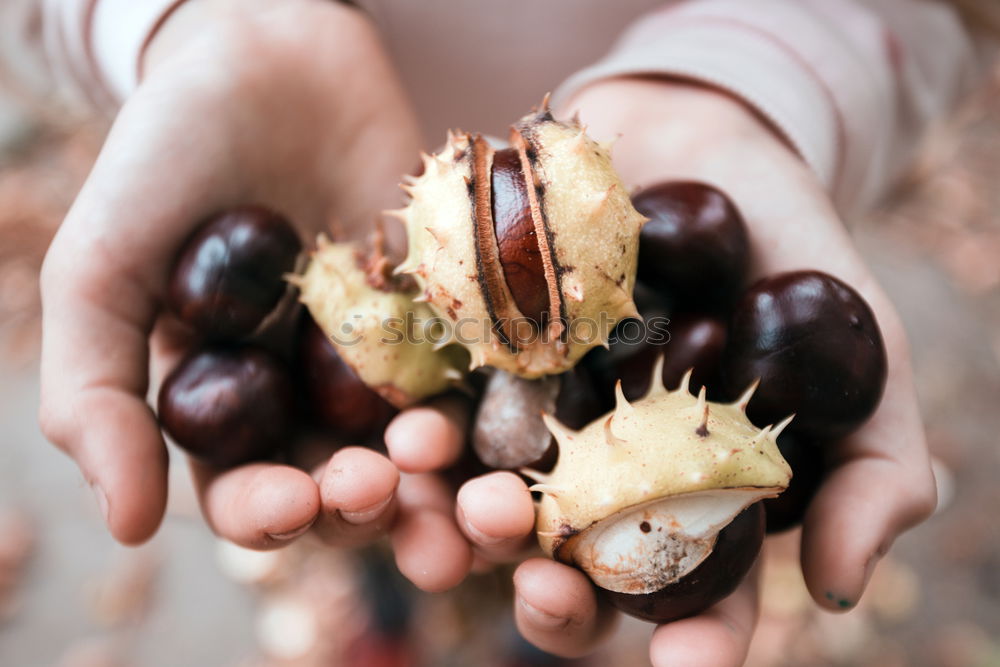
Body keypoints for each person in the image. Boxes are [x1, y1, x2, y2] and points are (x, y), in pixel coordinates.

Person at [4, 0, 995, 664]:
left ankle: (510, 642)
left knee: (507, 547)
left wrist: (756, 83)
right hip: (375, 221)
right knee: (374, 498)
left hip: (601, 167)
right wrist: (190, 21)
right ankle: (383, 608)